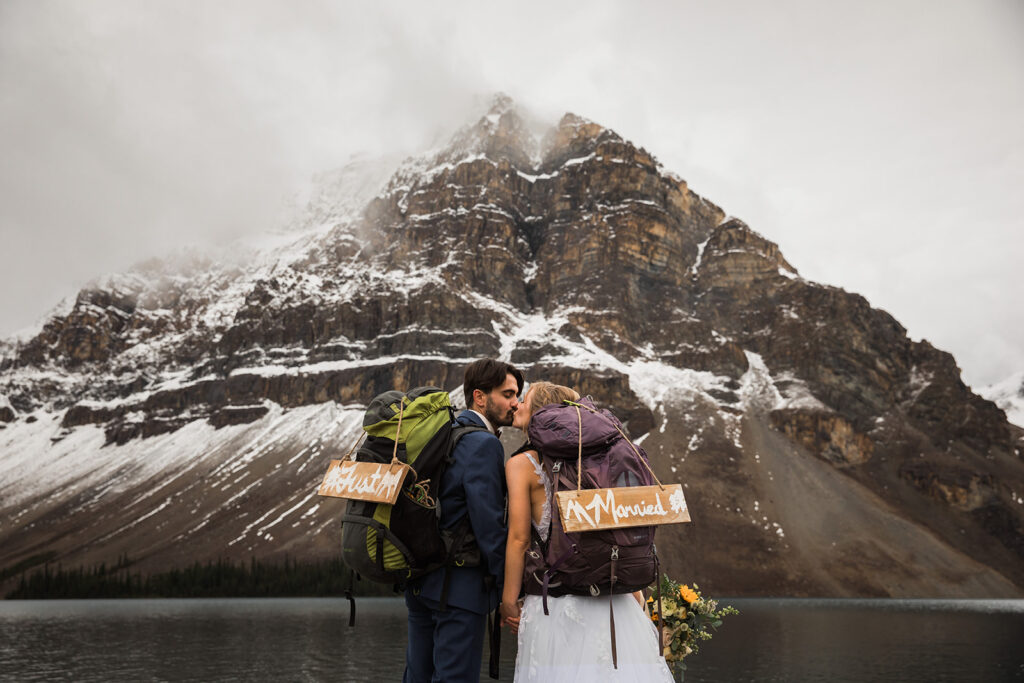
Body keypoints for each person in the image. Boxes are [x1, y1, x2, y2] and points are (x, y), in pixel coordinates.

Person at [500, 381, 674, 682]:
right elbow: (613, 536)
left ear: (541, 412)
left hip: (554, 607)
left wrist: (508, 601)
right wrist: (641, 603)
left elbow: (518, 539)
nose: (518, 405)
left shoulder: (522, 465)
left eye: (525, 401)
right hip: (614, 604)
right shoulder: (601, 463)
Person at [403, 358, 524, 683]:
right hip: (459, 590)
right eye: (508, 394)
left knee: (417, 677)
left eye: (518, 395)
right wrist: (507, 593)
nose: (516, 403)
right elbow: (489, 528)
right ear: (479, 397)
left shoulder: (446, 434)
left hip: (420, 582)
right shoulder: (482, 444)